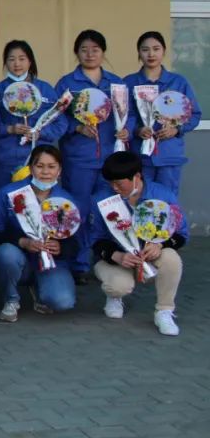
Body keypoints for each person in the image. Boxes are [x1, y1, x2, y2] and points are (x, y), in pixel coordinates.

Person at [56, 29, 132, 282]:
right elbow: (55, 118)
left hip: (110, 158)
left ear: (103, 52)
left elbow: (130, 115)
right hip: (78, 158)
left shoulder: (116, 84)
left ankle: (106, 259)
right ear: (76, 53)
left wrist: (126, 129)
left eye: (95, 49)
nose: (90, 54)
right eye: (84, 50)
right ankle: (78, 264)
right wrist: (76, 128)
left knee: (108, 210)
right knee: (78, 210)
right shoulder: (68, 84)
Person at [90, 151, 187, 336]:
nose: (114, 188)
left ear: (136, 176)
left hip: (150, 255)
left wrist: (160, 245)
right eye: (110, 183)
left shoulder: (162, 195)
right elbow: (95, 239)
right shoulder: (101, 199)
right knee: (119, 286)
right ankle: (114, 297)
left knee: (171, 258)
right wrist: (117, 256)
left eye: (119, 183)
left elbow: (181, 234)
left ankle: (164, 311)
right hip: (119, 259)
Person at [0, 145, 77, 323]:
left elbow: (75, 241)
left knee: (63, 301)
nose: (45, 172)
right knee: (6, 254)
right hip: (19, 257)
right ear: (30, 168)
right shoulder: (9, 193)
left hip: (51, 263)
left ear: (59, 170)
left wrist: (60, 247)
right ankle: (11, 299)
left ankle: (39, 289)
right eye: (39, 166)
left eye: (51, 167)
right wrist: (22, 242)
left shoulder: (66, 200)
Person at [124, 31, 201, 193]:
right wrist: (137, 130)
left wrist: (176, 129)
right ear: (139, 52)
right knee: (140, 198)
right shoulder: (129, 82)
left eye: (156, 49)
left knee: (167, 200)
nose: (151, 54)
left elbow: (194, 114)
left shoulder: (178, 82)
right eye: (145, 49)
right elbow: (124, 115)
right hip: (140, 156)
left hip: (169, 155)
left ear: (164, 51)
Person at [0, 40, 68, 192]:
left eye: (22, 58)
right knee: (5, 199)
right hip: (5, 159)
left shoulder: (45, 89)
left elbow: (61, 123)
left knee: (40, 200)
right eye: (11, 59)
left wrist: (40, 133)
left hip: (39, 160)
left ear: (30, 61)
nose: (17, 64)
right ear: (5, 63)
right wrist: (10, 129)